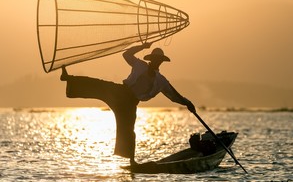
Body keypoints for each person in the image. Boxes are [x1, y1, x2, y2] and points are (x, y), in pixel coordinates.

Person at [60, 42, 196, 165]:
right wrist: (142, 47)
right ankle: (69, 79)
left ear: (161, 62)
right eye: (155, 59)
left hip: (130, 103)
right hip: (120, 92)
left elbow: (174, 95)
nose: (156, 62)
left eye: (159, 60)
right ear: (151, 59)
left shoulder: (161, 81)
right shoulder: (139, 64)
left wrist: (187, 103)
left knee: (128, 130)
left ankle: (131, 160)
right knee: (98, 85)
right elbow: (126, 54)